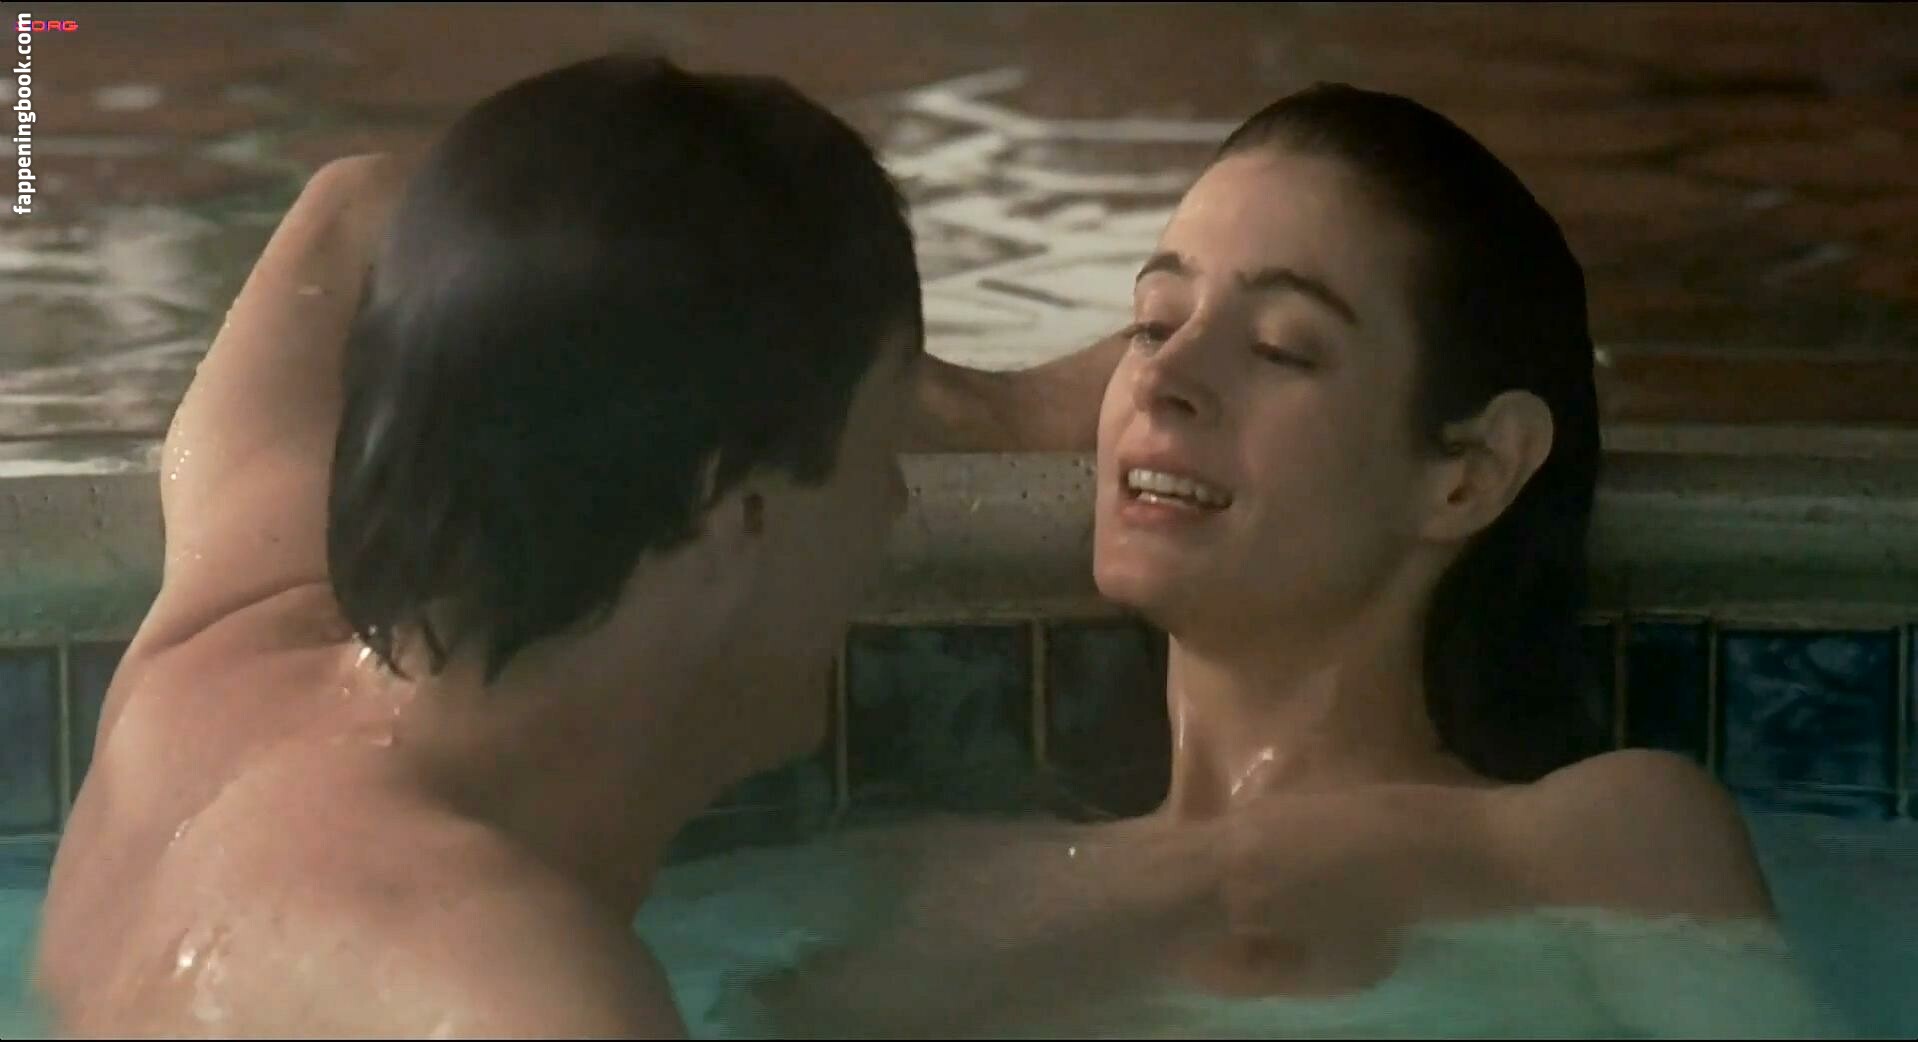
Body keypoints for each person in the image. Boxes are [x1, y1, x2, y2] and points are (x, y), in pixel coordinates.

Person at [32, 52, 1121, 1039]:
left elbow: (351, 205)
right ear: (737, 515)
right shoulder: (525, 1001)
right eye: (879, 444)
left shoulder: (214, 655)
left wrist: (794, 372)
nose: (893, 503)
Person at [733, 83, 1844, 1038]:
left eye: (1280, 346)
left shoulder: (1592, 838)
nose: (1163, 375)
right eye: (1152, 321)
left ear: (1468, 473)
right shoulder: (944, 882)